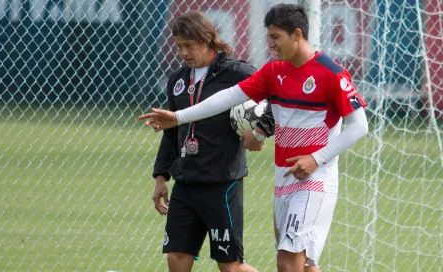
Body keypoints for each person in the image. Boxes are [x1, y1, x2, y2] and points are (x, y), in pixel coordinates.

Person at [139, 4, 369, 272]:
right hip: (285, 177)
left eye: (275, 37)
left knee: (288, 261)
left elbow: (358, 126)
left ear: (296, 34)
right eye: (268, 37)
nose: (270, 44)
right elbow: (227, 98)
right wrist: (178, 118)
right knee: (305, 265)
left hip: (315, 180)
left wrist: (316, 159)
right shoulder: (274, 72)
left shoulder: (330, 72)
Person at [147, 11, 275, 272]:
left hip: (222, 183)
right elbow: (172, 132)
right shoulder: (178, 81)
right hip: (186, 182)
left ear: (205, 41)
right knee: (176, 258)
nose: (183, 53)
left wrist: (261, 130)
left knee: (230, 266)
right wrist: (161, 177)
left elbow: (276, 96)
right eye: (178, 46)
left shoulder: (236, 71)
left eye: (188, 46)